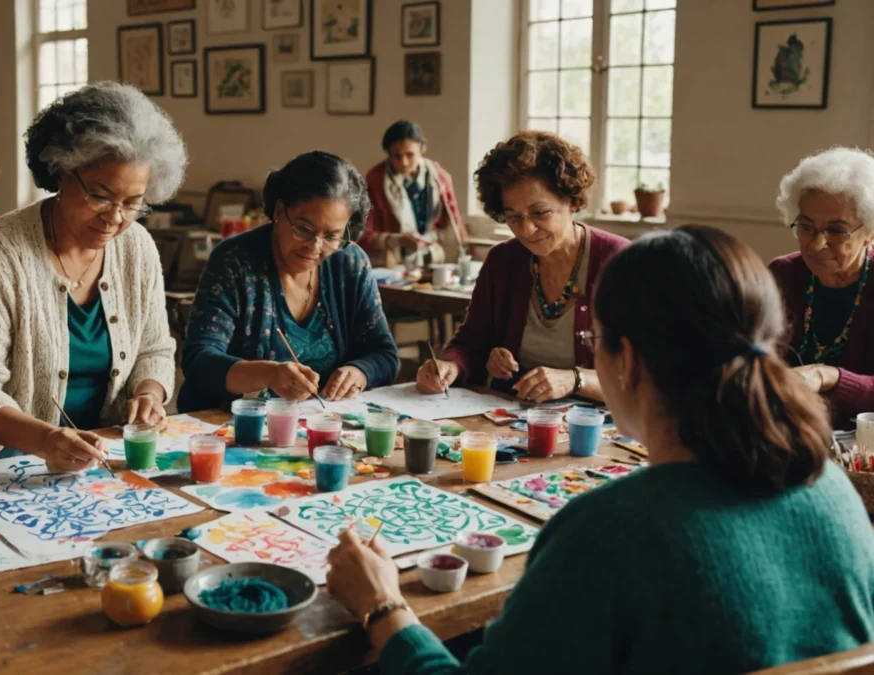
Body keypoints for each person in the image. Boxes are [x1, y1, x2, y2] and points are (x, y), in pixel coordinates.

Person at [328, 225, 874, 674]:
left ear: (627, 361)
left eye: (595, 344)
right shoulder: (832, 491)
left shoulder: (610, 531)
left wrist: (384, 607)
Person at [0, 82, 184, 472]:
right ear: (62, 172)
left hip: (109, 459)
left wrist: (150, 392)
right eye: (101, 196)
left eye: (133, 203)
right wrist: (45, 439)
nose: (115, 218)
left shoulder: (136, 247)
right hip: (12, 465)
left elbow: (154, 350)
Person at [179, 151, 399, 413]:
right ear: (280, 211)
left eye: (331, 236)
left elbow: (384, 353)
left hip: (317, 425)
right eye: (304, 230)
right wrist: (268, 374)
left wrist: (360, 372)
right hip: (227, 427)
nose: (315, 247)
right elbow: (199, 362)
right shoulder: (234, 261)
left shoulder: (349, 263)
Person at [416, 131, 626, 402]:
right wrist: (450, 366)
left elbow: (644, 375)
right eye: (513, 217)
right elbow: (470, 342)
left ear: (572, 201)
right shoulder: (503, 261)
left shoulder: (619, 262)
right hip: (512, 419)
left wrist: (575, 379)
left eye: (540, 212)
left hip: (594, 428)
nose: (526, 230)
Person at [770, 147, 874, 427]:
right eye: (806, 226)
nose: (816, 245)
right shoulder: (783, 275)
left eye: (837, 230)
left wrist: (830, 376)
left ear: (870, 233)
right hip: (782, 434)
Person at [358, 121, 467, 268]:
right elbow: (363, 233)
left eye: (410, 155)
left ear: (422, 149)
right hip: (389, 260)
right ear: (388, 154)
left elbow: (454, 224)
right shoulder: (375, 180)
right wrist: (397, 239)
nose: (404, 162)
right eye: (397, 156)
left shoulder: (439, 177)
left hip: (432, 256)